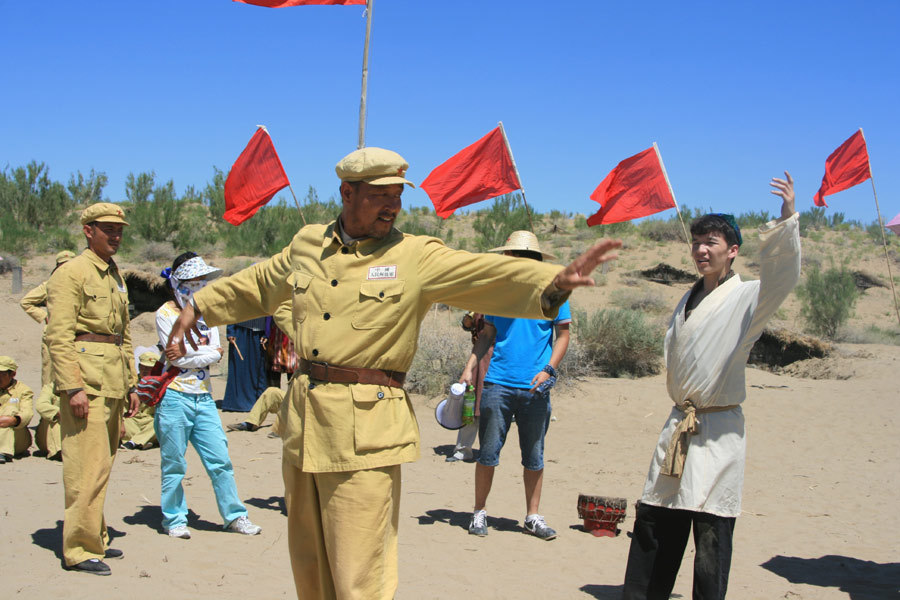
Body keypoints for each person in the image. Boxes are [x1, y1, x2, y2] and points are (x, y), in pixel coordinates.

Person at [165, 147, 621, 600]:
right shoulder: (307, 242)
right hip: (304, 426)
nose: (394, 205)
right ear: (347, 192)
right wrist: (201, 305)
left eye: (397, 195)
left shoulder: (415, 255)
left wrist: (551, 284)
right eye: (381, 194)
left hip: (366, 431)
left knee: (359, 573)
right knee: (309, 564)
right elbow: (261, 283)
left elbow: (478, 273)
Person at [621, 173, 800, 600]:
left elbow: (783, 276)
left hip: (717, 431)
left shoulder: (747, 299)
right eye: (697, 241)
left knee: (712, 530)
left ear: (732, 251)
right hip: (679, 424)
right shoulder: (688, 299)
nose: (702, 250)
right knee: (656, 518)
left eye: (712, 243)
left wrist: (788, 218)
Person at [45, 202, 140, 576]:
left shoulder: (113, 273)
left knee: (102, 466)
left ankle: (95, 536)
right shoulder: (71, 273)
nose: (115, 235)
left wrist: (132, 383)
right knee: (85, 467)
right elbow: (59, 336)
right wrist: (73, 388)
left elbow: (124, 333)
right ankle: (79, 549)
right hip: (88, 383)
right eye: (107, 229)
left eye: (119, 230)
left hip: (113, 379)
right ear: (88, 231)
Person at [461, 231, 571, 540]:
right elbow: (486, 335)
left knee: (534, 456)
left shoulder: (553, 292)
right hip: (498, 384)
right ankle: (479, 512)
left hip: (536, 387)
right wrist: (469, 368)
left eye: (523, 257)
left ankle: (532, 517)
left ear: (533, 260)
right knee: (488, 453)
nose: (516, 261)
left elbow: (562, 334)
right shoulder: (501, 293)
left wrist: (549, 369)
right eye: (513, 256)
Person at [155, 252, 261, 540]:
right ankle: (174, 517)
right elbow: (176, 357)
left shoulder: (209, 315)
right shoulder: (165, 314)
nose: (199, 287)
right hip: (175, 396)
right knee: (174, 462)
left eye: (202, 281)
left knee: (220, 459)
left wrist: (203, 354)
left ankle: (235, 515)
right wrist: (206, 355)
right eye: (193, 281)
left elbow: (215, 352)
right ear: (178, 283)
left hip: (203, 397)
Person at [20, 250, 77, 386]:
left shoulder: (81, 284)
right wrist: (45, 316)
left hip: (76, 333)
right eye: (62, 265)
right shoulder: (49, 285)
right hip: (52, 334)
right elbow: (26, 302)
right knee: (49, 375)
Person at [445, 312, 492, 463]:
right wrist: (468, 320)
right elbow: (468, 326)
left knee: (490, 407)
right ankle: (463, 449)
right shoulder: (479, 302)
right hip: (477, 358)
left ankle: (488, 451)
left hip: (497, 359)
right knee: (470, 405)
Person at [222, 317, 268, 412]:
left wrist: (267, 333)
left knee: (257, 369)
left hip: (259, 331)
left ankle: (259, 403)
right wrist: (231, 331)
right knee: (239, 367)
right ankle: (237, 403)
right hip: (240, 330)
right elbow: (233, 309)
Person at [120, 351, 161, 450]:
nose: (146, 370)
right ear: (139, 367)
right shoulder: (131, 384)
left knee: (160, 423)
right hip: (133, 420)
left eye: (149, 368)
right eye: (143, 367)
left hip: (150, 421)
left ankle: (134, 442)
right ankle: (144, 441)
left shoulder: (162, 384)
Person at [0, 355, 34, 464]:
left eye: (2, 374)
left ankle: (2, 451)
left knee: (10, 410)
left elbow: (27, 413)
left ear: (13, 374)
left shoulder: (24, 391)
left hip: (17, 437)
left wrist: (14, 420)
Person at [34, 382, 63, 461]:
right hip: (47, 436)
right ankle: (60, 451)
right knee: (53, 416)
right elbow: (41, 406)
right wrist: (64, 413)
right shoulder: (50, 387)